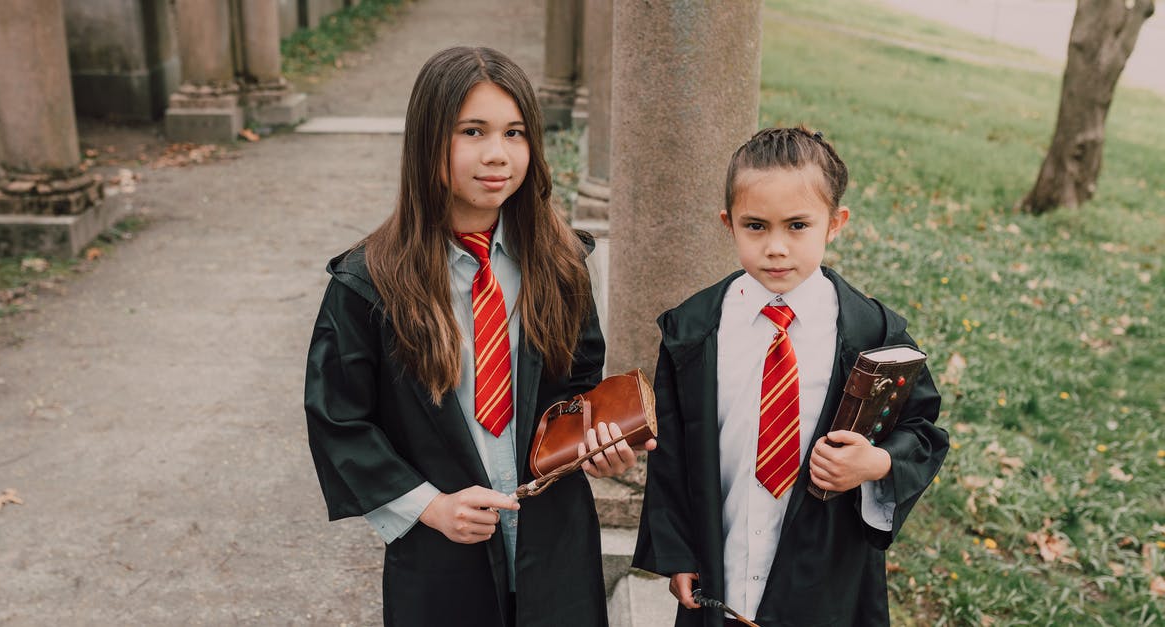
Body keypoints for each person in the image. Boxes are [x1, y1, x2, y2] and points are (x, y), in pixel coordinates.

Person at [305, 46, 651, 627]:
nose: (497, 154)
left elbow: (578, 385)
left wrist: (598, 445)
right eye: (473, 131)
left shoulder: (561, 264)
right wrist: (430, 507)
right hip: (442, 552)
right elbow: (339, 420)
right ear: (427, 142)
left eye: (515, 133)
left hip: (555, 544)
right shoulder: (369, 284)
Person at [632, 127, 949, 626]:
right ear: (728, 224)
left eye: (797, 225)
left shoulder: (873, 333)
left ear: (835, 223)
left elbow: (924, 431)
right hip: (722, 561)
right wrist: (677, 553)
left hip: (823, 570)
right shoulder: (692, 332)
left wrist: (876, 463)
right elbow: (671, 453)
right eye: (755, 226)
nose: (776, 247)